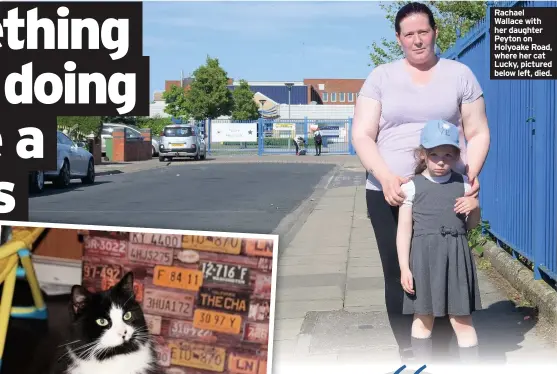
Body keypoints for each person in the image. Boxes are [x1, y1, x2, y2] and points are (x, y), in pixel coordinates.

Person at [351, 1, 490, 363]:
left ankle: (443, 354)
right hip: (388, 191)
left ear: (435, 33)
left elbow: (477, 132)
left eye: (423, 32)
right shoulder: (381, 77)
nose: (417, 40)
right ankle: (411, 354)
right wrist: (385, 177)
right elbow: (363, 134)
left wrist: (469, 174)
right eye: (409, 34)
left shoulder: (459, 75)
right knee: (399, 272)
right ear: (398, 38)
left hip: (444, 191)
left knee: (442, 267)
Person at [398, 119, 481, 365]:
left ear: (456, 155)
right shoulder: (412, 188)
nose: (441, 160)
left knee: (462, 320)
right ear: (423, 155)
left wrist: (475, 207)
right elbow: (404, 232)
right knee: (423, 319)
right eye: (434, 154)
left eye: (448, 154)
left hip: (456, 258)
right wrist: (404, 267)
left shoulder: (463, 184)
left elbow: (472, 225)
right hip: (424, 260)